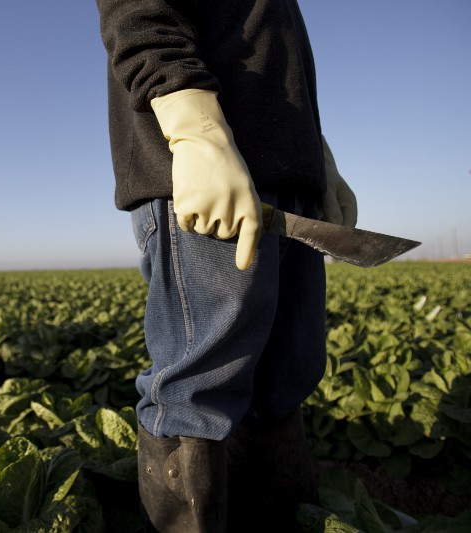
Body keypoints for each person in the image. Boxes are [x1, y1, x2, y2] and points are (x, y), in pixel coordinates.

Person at [95, 1, 358, 531]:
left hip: (287, 183)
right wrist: (194, 129)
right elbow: (138, 12)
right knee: (198, 391)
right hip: (213, 178)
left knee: (283, 377)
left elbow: (272, 53)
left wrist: (318, 158)